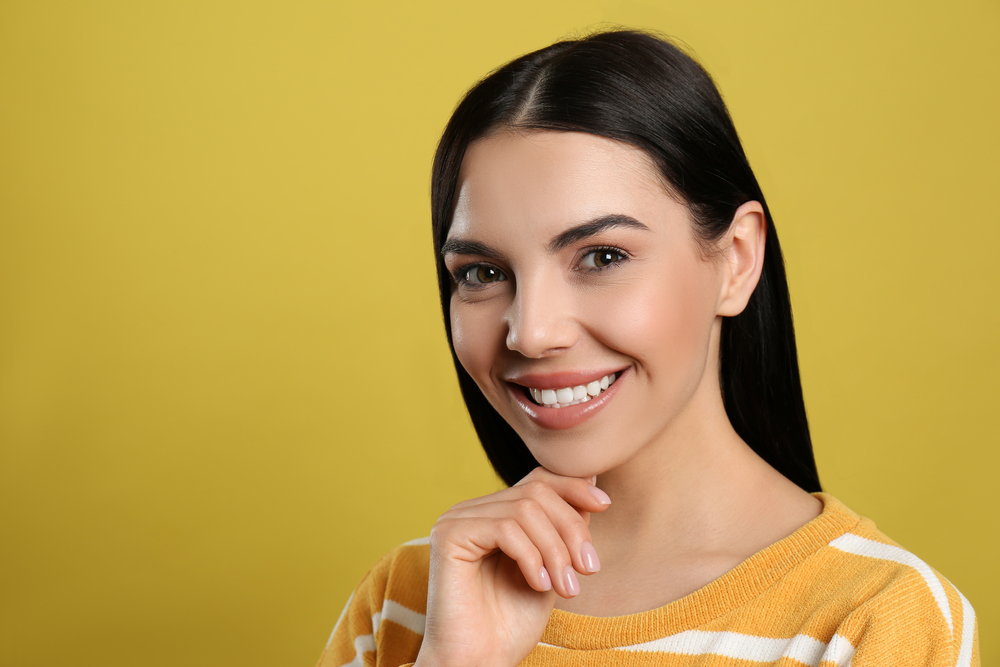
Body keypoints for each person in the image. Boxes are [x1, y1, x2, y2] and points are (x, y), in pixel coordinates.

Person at [317, 30, 979, 667]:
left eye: (602, 256)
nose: (531, 331)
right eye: (483, 273)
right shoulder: (410, 600)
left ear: (736, 259)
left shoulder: (875, 620)